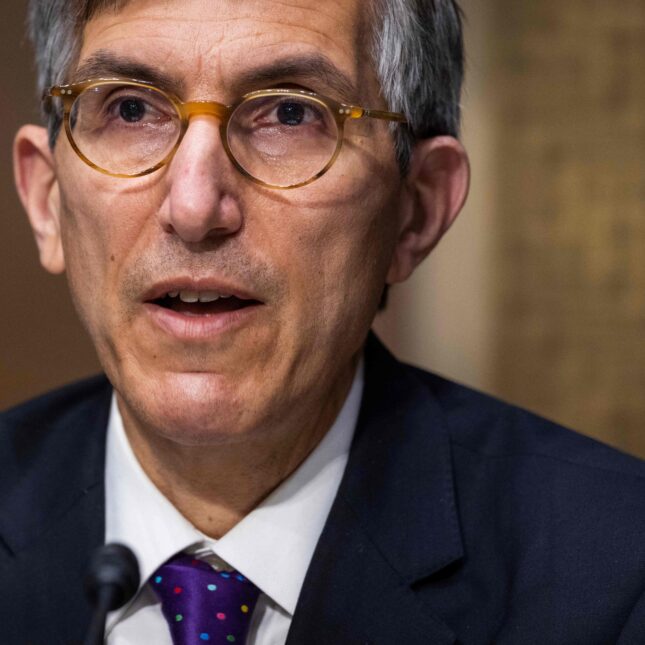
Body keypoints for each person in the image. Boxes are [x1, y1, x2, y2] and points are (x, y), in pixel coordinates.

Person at [2, 0, 645, 643]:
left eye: (290, 113)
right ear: (46, 200)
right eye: (131, 108)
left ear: (416, 211)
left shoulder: (617, 572)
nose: (195, 206)